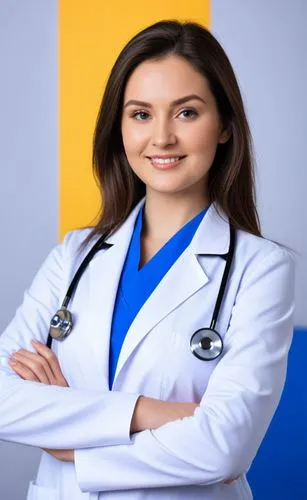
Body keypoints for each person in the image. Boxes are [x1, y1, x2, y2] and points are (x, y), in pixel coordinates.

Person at [0, 19, 294, 500]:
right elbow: (2, 400)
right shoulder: (73, 256)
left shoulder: (262, 270)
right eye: (140, 114)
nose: (161, 138)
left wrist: (67, 439)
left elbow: (225, 448)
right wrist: (155, 413)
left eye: (186, 113)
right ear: (119, 128)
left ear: (224, 126)